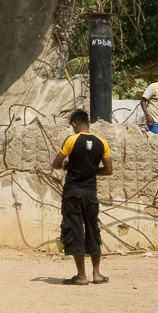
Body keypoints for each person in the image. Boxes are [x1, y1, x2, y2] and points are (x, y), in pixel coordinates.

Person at [51, 109, 112, 285]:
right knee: (93, 229)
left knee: (75, 229)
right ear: (89, 124)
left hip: (73, 192)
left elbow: (56, 164)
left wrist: (68, 167)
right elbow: (108, 170)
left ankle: (81, 276)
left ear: (74, 125)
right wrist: (92, 171)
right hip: (90, 193)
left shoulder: (72, 140)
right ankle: (97, 274)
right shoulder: (102, 142)